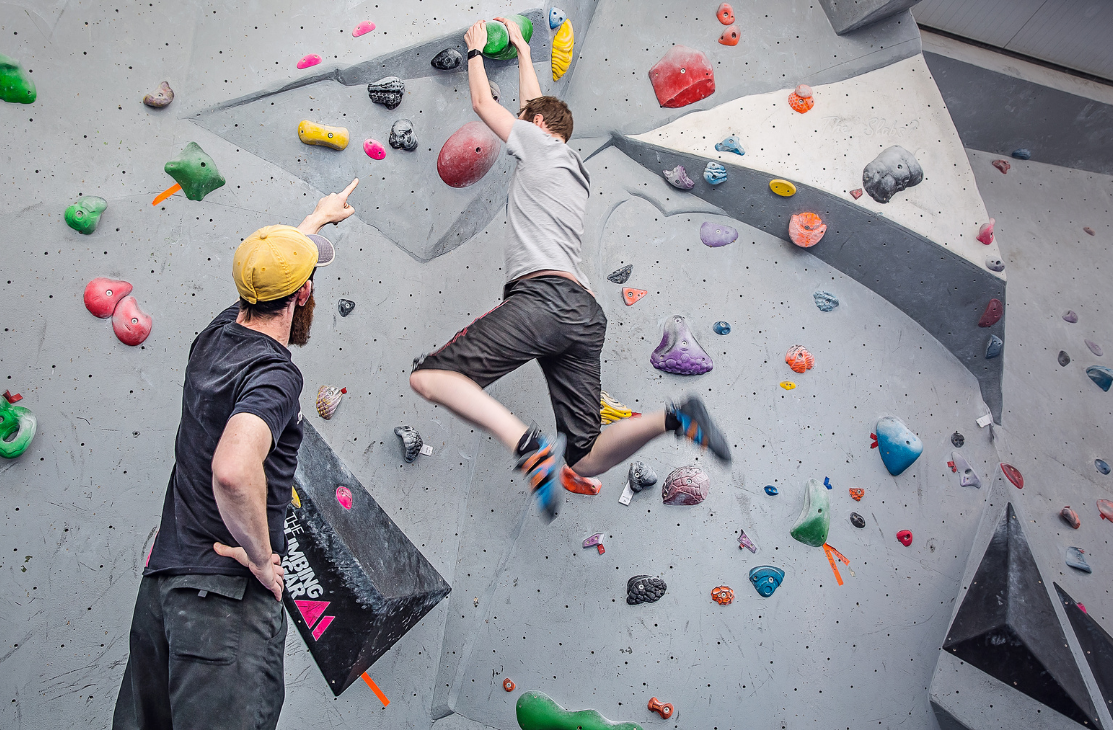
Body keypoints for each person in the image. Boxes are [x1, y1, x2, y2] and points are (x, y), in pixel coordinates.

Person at [409, 19, 731, 521]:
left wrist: (475, 52)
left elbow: (484, 107)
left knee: (431, 378)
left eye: (525, 123)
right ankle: (674, 419)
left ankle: (528, 448)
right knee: (585, 455)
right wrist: (520, 48)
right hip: (584, 316)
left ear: (536, 130)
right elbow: (536, 109)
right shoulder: (570, 165)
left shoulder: (538, 146)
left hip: (544, 300)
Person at [112, 180, 358, 730]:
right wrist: (257, 552)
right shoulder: (274, 375)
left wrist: (315, 221)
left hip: (162, 596)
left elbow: (272, 266)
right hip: (220, 607)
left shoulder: (215, 336)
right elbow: (232, 469)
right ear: (303, 294)